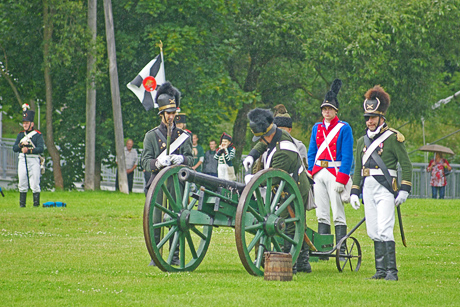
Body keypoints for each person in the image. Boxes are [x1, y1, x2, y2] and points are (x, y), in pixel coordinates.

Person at [350, 85, 412, 281]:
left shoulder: (393, 138)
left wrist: (404, 189)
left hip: (386, 188)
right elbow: (358, 170)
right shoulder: (361, 142)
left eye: (373, 117)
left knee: (385, 227)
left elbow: (407, 166)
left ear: (381, 117)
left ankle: (391, 271)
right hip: (368, 189)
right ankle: (380, 270)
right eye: (367, 118)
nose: (369, 121)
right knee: (373, 229)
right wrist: (354, 191)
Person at [243, 108, 312, 273]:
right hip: (280, 187)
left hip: (295, 186)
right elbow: (262, 144)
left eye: (260, 136)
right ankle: (303, 263)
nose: (260, 140)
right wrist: (252, 155)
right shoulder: (274, 134)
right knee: (289, 221)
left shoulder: (284, 151)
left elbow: (273, 178)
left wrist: (251, 180)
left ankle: (291, 263)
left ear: (267, 134)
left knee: (289, 223)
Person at [140, 81, 194, 266]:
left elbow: (191, 159)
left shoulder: (183, 136)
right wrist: (158, 162)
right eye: (168, 113)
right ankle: (156, 256)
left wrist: (183, 160)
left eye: (173, 113)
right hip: (158, 183)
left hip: (176, 185)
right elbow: (144, 162)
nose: (172, 117)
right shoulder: (151, 136)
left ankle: (175, 255)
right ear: (161, 114)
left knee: (175, 219)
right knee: (156, 220)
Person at [307, 79, 353, 258]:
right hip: (319, 172)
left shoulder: (344, 128)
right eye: (324, 109)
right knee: (322, 212)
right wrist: (312, 172)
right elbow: (312, 152)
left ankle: (341, 250)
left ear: (336, 111)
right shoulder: (317, 128)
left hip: (335, 172)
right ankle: (324, 250)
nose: (327, 111)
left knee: (337, 212)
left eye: (330, 109)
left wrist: (342, 179)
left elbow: (347, 155)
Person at [13, 104, 45, 207]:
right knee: (22, 181)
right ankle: (22, 204)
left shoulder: (37, 135)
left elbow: (41, 148)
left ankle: (36, 204)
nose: (25, 125)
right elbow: (15, 148)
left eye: (27, 123)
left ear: (32, 124)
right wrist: (21, 145)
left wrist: (29, 150)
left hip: (33, 159)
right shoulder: (21, 135)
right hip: (22, 159)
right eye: (24, 123)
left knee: (35, 182)